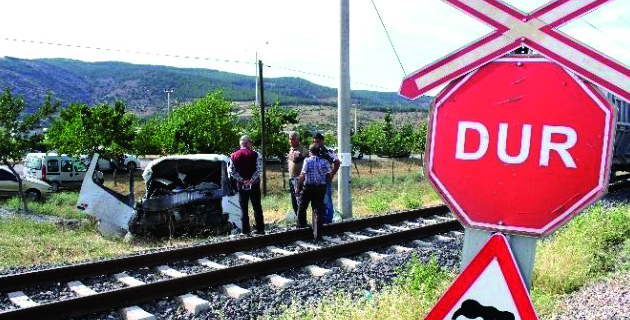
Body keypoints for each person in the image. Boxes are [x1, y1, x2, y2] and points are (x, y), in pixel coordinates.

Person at [229, 135, 265, 235]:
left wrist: (242, 180)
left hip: (241, 186)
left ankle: (245, 231)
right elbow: (258, 169)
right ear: (248, 143)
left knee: (243, 208)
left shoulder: (233, 155)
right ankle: (260, 229)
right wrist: (251, 180)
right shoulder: (256, 154)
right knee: (257, 206)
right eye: (250, 142)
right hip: (254, 186)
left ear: (241, 143)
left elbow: (232, 171)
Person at [296, 143, 332, 242]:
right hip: (320, 188)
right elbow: (329, 176)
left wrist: (298, 188)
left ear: (310, 152)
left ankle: (301, 225)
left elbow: (302, 176)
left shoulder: (307, 161)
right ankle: (318, 235)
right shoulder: (325, 161)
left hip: (308, 187)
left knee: (303, 206)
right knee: (317, 210)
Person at [313, 132, 340, 223]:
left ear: (322, 141)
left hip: (325, 180)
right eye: (315, 141)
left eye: (318, 141)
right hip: (315, 181)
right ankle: (320, 220)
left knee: (326, 200)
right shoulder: (313, 152)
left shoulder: (328, 151)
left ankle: (328, 220)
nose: (316, 143)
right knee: (317, 201)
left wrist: (332, 174)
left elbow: (337, 162)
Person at [288, 131, 309, 216]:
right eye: (290, 139)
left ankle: (302, 220)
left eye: (293, 139)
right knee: (294, 200)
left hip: (299, 179)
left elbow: (306, 161)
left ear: (298, 139)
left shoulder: (303, 150)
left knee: (300, 201)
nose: (291, 141)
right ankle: (297, 218)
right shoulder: (291, 150)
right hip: (292, 178)